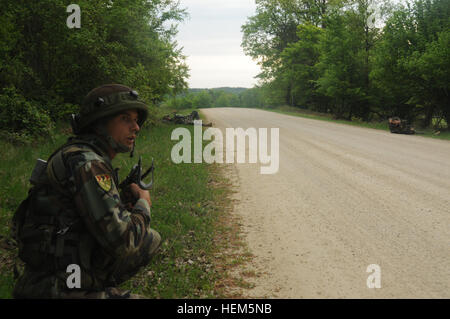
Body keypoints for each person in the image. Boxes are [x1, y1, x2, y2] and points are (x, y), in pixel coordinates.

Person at [12, 84, 161, 299]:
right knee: (139, 237)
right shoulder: (88, 164)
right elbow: (123, 243)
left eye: (136, 120)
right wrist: (143, 204)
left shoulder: (82, 154)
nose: (136, 127)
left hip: (62, 271)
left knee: (150, 239)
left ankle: (94, 284)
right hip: (54, 286)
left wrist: (122, 207)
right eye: (125, 119)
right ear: (100, 122)